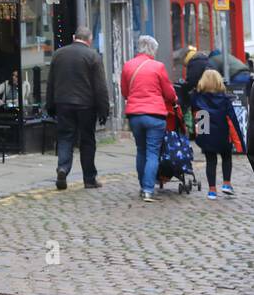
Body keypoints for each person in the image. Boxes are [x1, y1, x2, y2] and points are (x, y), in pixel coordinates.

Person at [47, 26, 109, 190]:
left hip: (63, 103)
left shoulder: (58, 54)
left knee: (65, 137)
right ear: (89, 40)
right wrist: (104, 110)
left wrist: (50, 105)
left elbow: (51, 83)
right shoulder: (93, 56)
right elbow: (100, 87)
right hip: (86, 105)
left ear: (74, 37)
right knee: (87, 141)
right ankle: (89, 179)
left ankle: (62, 169)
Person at [121, 35, 177, 203]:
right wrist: (174, 100)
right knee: (153, 152)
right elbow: (169, 92)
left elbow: (125, 91)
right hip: (155, 115)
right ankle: (148, 189)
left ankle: (142, 186)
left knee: (141, 150)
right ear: (152, 49)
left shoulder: (128, 66)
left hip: (135, 115)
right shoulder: (158, 67)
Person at [191, 69, 241, 200]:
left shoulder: (198, 98)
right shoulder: (224, 99)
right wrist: (239, 139)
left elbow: (197, 116)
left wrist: (199, 138)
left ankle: (212, 190)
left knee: (210, 161)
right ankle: (226, 184)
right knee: (226, 157)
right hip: (222, 132)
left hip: (206, 130)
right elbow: (232, 119)